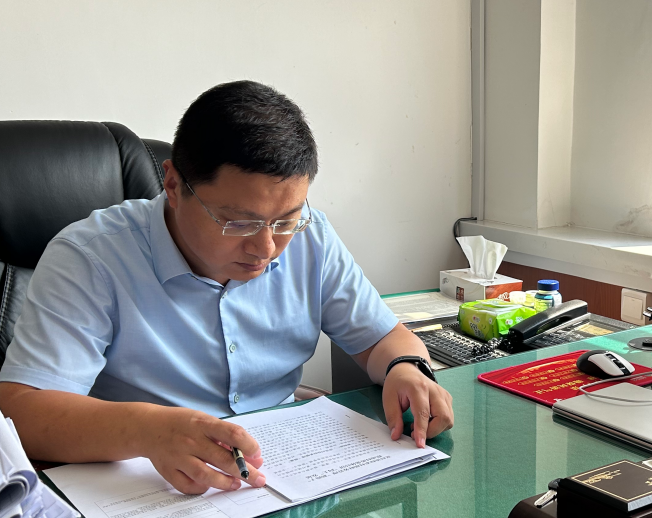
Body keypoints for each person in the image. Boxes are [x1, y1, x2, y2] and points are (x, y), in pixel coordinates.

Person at [0, 81, 453, 495]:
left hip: (281, 475)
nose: (266, 247)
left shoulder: (312, 236)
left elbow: (381, 338)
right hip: (149, 485)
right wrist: (147, 429)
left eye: (286, 221)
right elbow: (22, 411)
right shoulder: (90, 257)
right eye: (239, 222)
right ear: (173, 185)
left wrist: (407, 367)